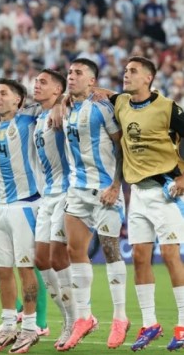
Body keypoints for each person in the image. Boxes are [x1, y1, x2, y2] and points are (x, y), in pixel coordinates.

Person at [110, 56, 184, 352]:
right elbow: (101, 93)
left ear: (148, 78)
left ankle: (182, 324)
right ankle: (150, 323)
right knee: (140, 258)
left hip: (165, 192)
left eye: (132, 71)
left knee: (169, 256)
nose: (125, 75)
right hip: (136, 194)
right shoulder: (120, 103)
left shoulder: (168, 108)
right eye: (125, 70)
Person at [59, 58, 129, 350]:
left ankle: (120, 317)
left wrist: (116, 185)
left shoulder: (102, 107)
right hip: (76, 189)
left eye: (78, 73)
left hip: (104, 189)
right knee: (74, 250)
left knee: (111, 250)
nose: (71, 76)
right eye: (70, 72)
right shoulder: (65, 107)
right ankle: (84, 317)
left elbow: (121, 144)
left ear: (92, 81)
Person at [0, 79, 41, 354]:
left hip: (26, 205)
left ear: (18, 100)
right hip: (1, 207)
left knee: (26, 269)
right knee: (1, 269)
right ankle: (7, 326)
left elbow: (59, 102)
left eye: (4, 93)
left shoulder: (30, 119)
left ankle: (30, 328)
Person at [31, 69, 76, 350]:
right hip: (47, 195)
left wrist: (64, 102)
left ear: (58, 90)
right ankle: (67, 318)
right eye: (35, 81)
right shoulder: (36, 119)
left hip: (67, 192)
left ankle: (76, 320)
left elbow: (85, 98)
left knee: (58, 258)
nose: (36, 84)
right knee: (40, 260)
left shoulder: (66, 112)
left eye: (43, 82)